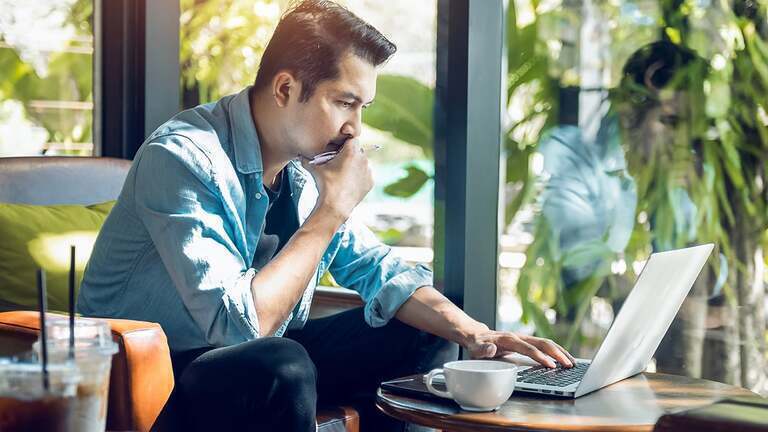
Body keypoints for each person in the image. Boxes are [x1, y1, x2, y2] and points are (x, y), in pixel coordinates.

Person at [78, 1, 575, 431]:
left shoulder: (301, 168)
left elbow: (377, 269)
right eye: (344, 103)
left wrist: (478, 334)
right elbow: (236, 327)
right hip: (152, 373)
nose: (355, 129)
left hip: (260, 357)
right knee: (282, 362)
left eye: (363, 107)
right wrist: (332, 209)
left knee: (422, 330)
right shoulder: (183, 158)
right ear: (285, 89)